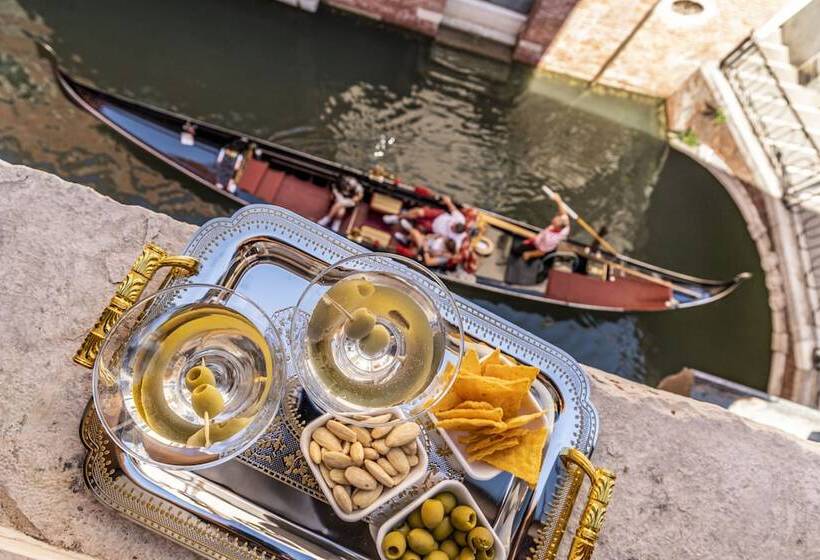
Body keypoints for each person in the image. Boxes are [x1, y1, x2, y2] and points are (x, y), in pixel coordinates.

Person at [383, 195, 467, 246]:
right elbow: (452, 207)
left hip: (432, 228)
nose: (451, 226)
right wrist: (448, 201)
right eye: (453, 225)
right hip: (438, 215)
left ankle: (407, 237)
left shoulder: (456, 239)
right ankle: (397, 217)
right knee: (419, 212)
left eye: (452, 228)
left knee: (421, 232)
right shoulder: (460, 218)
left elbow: (453, 250)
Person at [520, 192, 570, 261]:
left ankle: (529, 254)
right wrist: (559, 200)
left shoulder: (549, 239)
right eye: (556, 218)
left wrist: (530, 251)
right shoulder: (565, 225)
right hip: (542, 238)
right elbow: (563, 213)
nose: (552, 221)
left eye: (554, 223)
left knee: (537, 250)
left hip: (542, 245)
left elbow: (542, 251)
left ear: (558, 227)